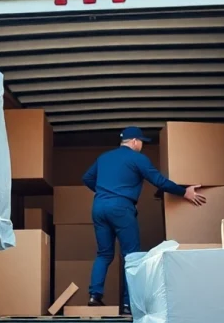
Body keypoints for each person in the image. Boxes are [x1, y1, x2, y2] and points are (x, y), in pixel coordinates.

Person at [82, 126, 205, 310]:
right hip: (121, 208)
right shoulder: (137, 159)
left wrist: (105, 192)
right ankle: (127, 303)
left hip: (99, 206)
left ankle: (94, 295)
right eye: (141, 142)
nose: (141, 145)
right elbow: (159, 181)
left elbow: (87, 178)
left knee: (104, 254)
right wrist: (183, 192)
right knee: (131, 256)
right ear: (133, 141)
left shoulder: (104, 158)